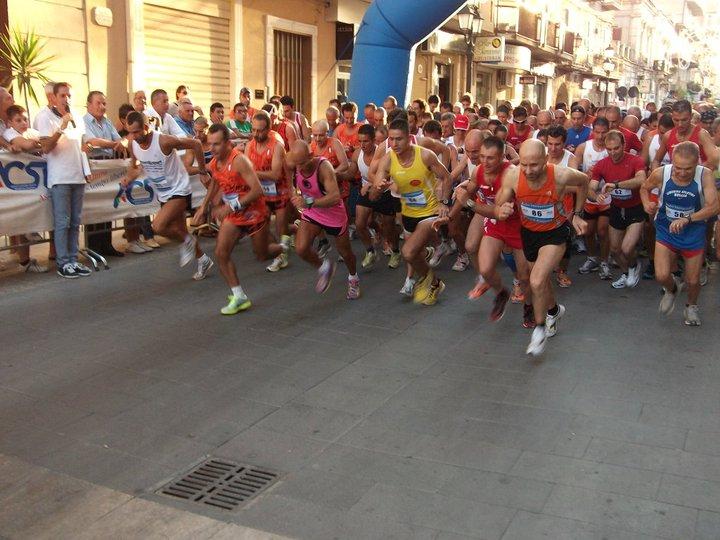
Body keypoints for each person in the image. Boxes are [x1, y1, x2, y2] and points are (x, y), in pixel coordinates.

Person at [494, 139, 589, 356]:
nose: (528, 171)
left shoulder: (560, 175)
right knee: (541, 281)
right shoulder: (513, 175)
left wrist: (577, 214)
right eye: (524, 164)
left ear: (546, 160)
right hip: (529, 233)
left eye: (534, 165)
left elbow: (584, 182)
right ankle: (553, 310)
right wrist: (503, 207)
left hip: (555, 233)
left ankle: (539, 329)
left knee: (535, 280)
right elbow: (500, 199)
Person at [440, 136, 534, 326]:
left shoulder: (511, 174)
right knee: (485, 269)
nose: (484, 161)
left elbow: (495, 211)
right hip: (496, 224)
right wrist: (448, 217)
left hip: (518, 226)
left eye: (490, 158)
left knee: (524, 276)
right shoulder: (479, 171)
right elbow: (467, 194)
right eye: (482, 156)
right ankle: (501, 293)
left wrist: (469, 203)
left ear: (502, 157)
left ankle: (529, 306)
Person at [122, 111, 214, 279]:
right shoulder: (133, 144)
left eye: (136, 132)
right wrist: (128, 178)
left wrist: (202, 171)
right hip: (163, 192)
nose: (133, 136)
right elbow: (134, 167)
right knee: (180, 231)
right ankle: (203, 259)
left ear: (145, 127)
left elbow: (195, 144)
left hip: (179, 189)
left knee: (158, 226)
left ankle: (189, 241)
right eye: (130, 132)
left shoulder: (163, 141)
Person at [199, 124, 275, 314]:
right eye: (210, 144)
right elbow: (215, 182)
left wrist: (230, 206)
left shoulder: (240, 161)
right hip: (234, 214)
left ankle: (284, 246)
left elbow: (257, 190)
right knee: (221, 252)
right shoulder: (215, 162)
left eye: (216, 144)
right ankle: (239, 296)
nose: (212, 148)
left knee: (262, 254)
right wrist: (203, 206)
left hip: (255, 213)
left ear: (227, 143)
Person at [373, 118, 452, 305]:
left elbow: (446, 177)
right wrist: (379, 186)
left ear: (409, 138)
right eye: (391, 139)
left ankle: (430, 276)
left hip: (429, 212)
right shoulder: (388, 159)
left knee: (408, 252)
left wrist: (443, 202)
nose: (394, 144)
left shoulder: (425, 155)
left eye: (399, 139)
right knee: (414, 255)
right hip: (408, 213)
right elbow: (375, 188)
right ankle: (434, 281)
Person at [641, 141, 718, 326]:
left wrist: (688, 219)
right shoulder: (661, 173)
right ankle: (672, 289)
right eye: (678, 167)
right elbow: (644, 188)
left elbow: (714, 206)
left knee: (693, 280)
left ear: (697, 163)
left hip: (693, 231)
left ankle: (691, 306)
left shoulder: (705, 175)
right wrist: (646, 204)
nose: (682, 173)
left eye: (688, 168)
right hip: (666, 229)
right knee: (661, 275)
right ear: (672, 162)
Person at [287, 140, 359, 298]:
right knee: (301, 249)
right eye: (296, 164)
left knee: (345, 252)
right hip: (313, 211)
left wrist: (308, 202)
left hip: (333, 213)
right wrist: (292, 192)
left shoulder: (324, 167)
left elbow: (335, 197)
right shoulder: (293, 162)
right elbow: (286, 177)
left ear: (311, 155)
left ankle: (353, 278)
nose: (299, 168)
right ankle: (325, 267)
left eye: (302, 163)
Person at [35, 82, 93, 279]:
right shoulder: (45, 116)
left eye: (69, 95)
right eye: (62, 95)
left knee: (75, 221)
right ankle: (63, 263)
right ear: (53, 97)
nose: (66, 99)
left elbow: (81, 146)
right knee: (63, 222)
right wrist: (61, 127)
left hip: (77, 176)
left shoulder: (76, 115)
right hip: (60, 177)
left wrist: (86, 168)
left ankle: (73, 260)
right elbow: (46, 147)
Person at [590, 130, 647, 289]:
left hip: (635, 208)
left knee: (627, 249)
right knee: (614, 250)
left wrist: (616, 185)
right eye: (609, 149)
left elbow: (641, 180)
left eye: (616, 148)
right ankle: (626, 272)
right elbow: (591, 187)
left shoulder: (635, 160)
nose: (613, 152)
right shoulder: (602, 164)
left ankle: (634, 266)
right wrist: (595, 197)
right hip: (616, 208)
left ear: (623, 145)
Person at [2, 104, 48, 273]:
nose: (23, 123)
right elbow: (28, 145)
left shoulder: (31, 132)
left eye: (25, 119)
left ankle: (25, 260)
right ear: (10, 123)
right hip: (14, 184)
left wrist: (40, 143)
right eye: (18, 120)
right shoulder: (9, 133)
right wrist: (41, 144)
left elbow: (41, 141)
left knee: (26, 214)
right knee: (19, 217)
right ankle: (25, 258)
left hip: (28, 183)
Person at [245, 110, 292, 272]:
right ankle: (280, 250)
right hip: (262, 194)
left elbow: (275, 174)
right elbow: (245, 172)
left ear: (268, 129)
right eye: (253, 130)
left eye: (260, 130)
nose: (256, 134)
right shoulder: (249, 146)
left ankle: (283, 254)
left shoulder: (277, 146)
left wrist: (252, 173)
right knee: (262, 228)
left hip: (280, 191)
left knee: (280, 228)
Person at [350, 124, 401, 269]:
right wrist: (335, 174)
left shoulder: (383, 153)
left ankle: (395, 251)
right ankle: (370, 251)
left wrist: (372, 184)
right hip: (367, 191)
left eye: (365, 141)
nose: (362, 145)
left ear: (373, 140)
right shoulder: (357, 154)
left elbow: (388, 175)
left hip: (385, 192)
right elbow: (350, 173)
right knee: (360, 224)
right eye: (360, 141)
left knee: (389, 227)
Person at [83, 90, 127, 258]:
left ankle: (106, 244)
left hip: (109, 165)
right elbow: (92, 141)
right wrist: (114, 144)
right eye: (98, 103)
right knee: (95, 206)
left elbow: (120, 139)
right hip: (94, 166)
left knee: (108, 205)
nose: (102, 106)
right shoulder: (83, 121)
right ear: (89, 105)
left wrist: (121, 143)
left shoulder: (107, 122)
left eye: (104, 103)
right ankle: (93, 247)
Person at [575, 117, 611, 277]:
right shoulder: (584, 147)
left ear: (608, 132)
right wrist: (586, 174)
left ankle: (604, 261)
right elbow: (574, 171)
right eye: (597, 132)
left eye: (604, 132)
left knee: (602, 231)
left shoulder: (611, 149)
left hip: (606, 195)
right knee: (588, 231)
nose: (600, 136)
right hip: (588, 195)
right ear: (592, 131)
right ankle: (592, 258)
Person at [546, 125, 579, 288]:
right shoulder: (542, 156)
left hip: (565, 206)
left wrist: (551, 186)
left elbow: (576, 186)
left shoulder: (571, 159)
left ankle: (562, 271)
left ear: (564, 143)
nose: (553, 148)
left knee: (564, 240)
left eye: (557, 144)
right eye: (550, 144)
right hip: (543, 205)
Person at [651, 100, 718, 170]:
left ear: (691, 116)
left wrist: (696, 171)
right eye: (676, 120)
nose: (680, 124)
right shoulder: (668, 136)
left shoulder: (701, 134)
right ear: (672, 117)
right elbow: (656, 160)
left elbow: (715, 159)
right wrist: (658, 174)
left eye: (684, 120)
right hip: (675, 176)